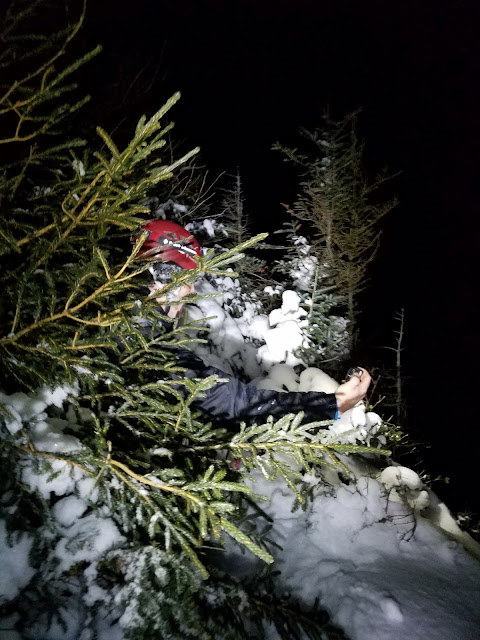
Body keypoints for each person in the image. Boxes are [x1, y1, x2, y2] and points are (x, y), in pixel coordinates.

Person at [136, 219, 371, 424]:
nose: (190, 291)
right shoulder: (139, 342)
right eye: (186, 280)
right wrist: (333, 405)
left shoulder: (143, 331)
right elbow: (233, 404)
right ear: (159, 276)